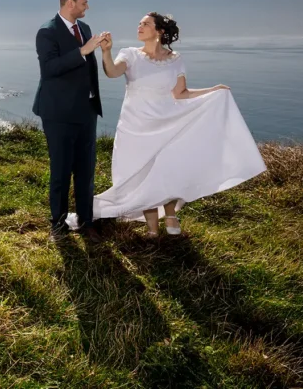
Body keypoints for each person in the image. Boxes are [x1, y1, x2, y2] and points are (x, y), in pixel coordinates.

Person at [94, 13, 267, 237]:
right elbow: (112, 72)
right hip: (134, 126)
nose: (139, 26)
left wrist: (213, 91)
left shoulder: (175, 59)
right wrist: (106, 52)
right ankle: (153, 229)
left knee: (165, 169)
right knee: (139, 173)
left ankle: (170, 217)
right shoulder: (129, 54)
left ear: (160, 32)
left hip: (167, 122)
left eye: (145, 24)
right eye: (139, 23)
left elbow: (181, 93)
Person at [33, 0, 105, 243]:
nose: (88, 6)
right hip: (58, 113)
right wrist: (83, 51)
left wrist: (99, 50)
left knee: (86, 170)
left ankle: (86, 223)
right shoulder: (47, 32)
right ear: (70, 3)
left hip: (86, 111)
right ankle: (57, 225)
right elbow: (50, 69)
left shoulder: (84, 28)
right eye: (84, 1)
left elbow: (89, 67)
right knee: (61, 170)